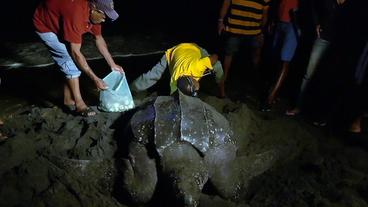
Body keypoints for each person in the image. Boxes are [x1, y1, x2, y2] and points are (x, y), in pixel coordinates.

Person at [33, 0, 124, 117]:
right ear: (93, 7)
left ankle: (68, 99)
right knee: (70, 63)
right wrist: (95, 79)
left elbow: (99, 39)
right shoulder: (76, 15)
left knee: (71, 63)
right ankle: (79, 104)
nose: (105, 19)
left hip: (62, 20)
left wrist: (112, 64)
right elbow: (75, 52)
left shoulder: (95, 16)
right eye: (104, 14)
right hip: (44, 25)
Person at [286, 0, 347, 118]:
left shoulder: (352, 5)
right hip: (323, 39)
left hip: (339, 45)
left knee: (329, 79)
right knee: (309, 74)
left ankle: (319, 113)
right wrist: (317, 23)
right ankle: (298, 107)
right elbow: (315, 8)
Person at [217, 0, 271, 98]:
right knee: (227, 61)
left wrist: (262, 32)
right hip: (234, 29)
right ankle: (222, 88)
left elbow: (265, 13)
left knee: (253, 62)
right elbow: (226, 2)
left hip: (254, 32)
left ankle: (250, 89)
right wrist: (220, 21)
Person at [130, 43, 223, 97]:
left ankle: (221, 87)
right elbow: (173, 96)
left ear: (192, 78)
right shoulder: (174, 81)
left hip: (193, 48)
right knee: (154, 75)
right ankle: (132, 89)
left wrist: (211, 63)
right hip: (171, 54)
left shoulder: (198, 66)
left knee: (218, 66)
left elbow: (215, 56)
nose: (196, 92)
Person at [260, 0, 300, 111]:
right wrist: (273, 18)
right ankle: (274, 92)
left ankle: (270, 97)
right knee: (277, 59)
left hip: (293, 23)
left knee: (285, 60)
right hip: (280, 20)